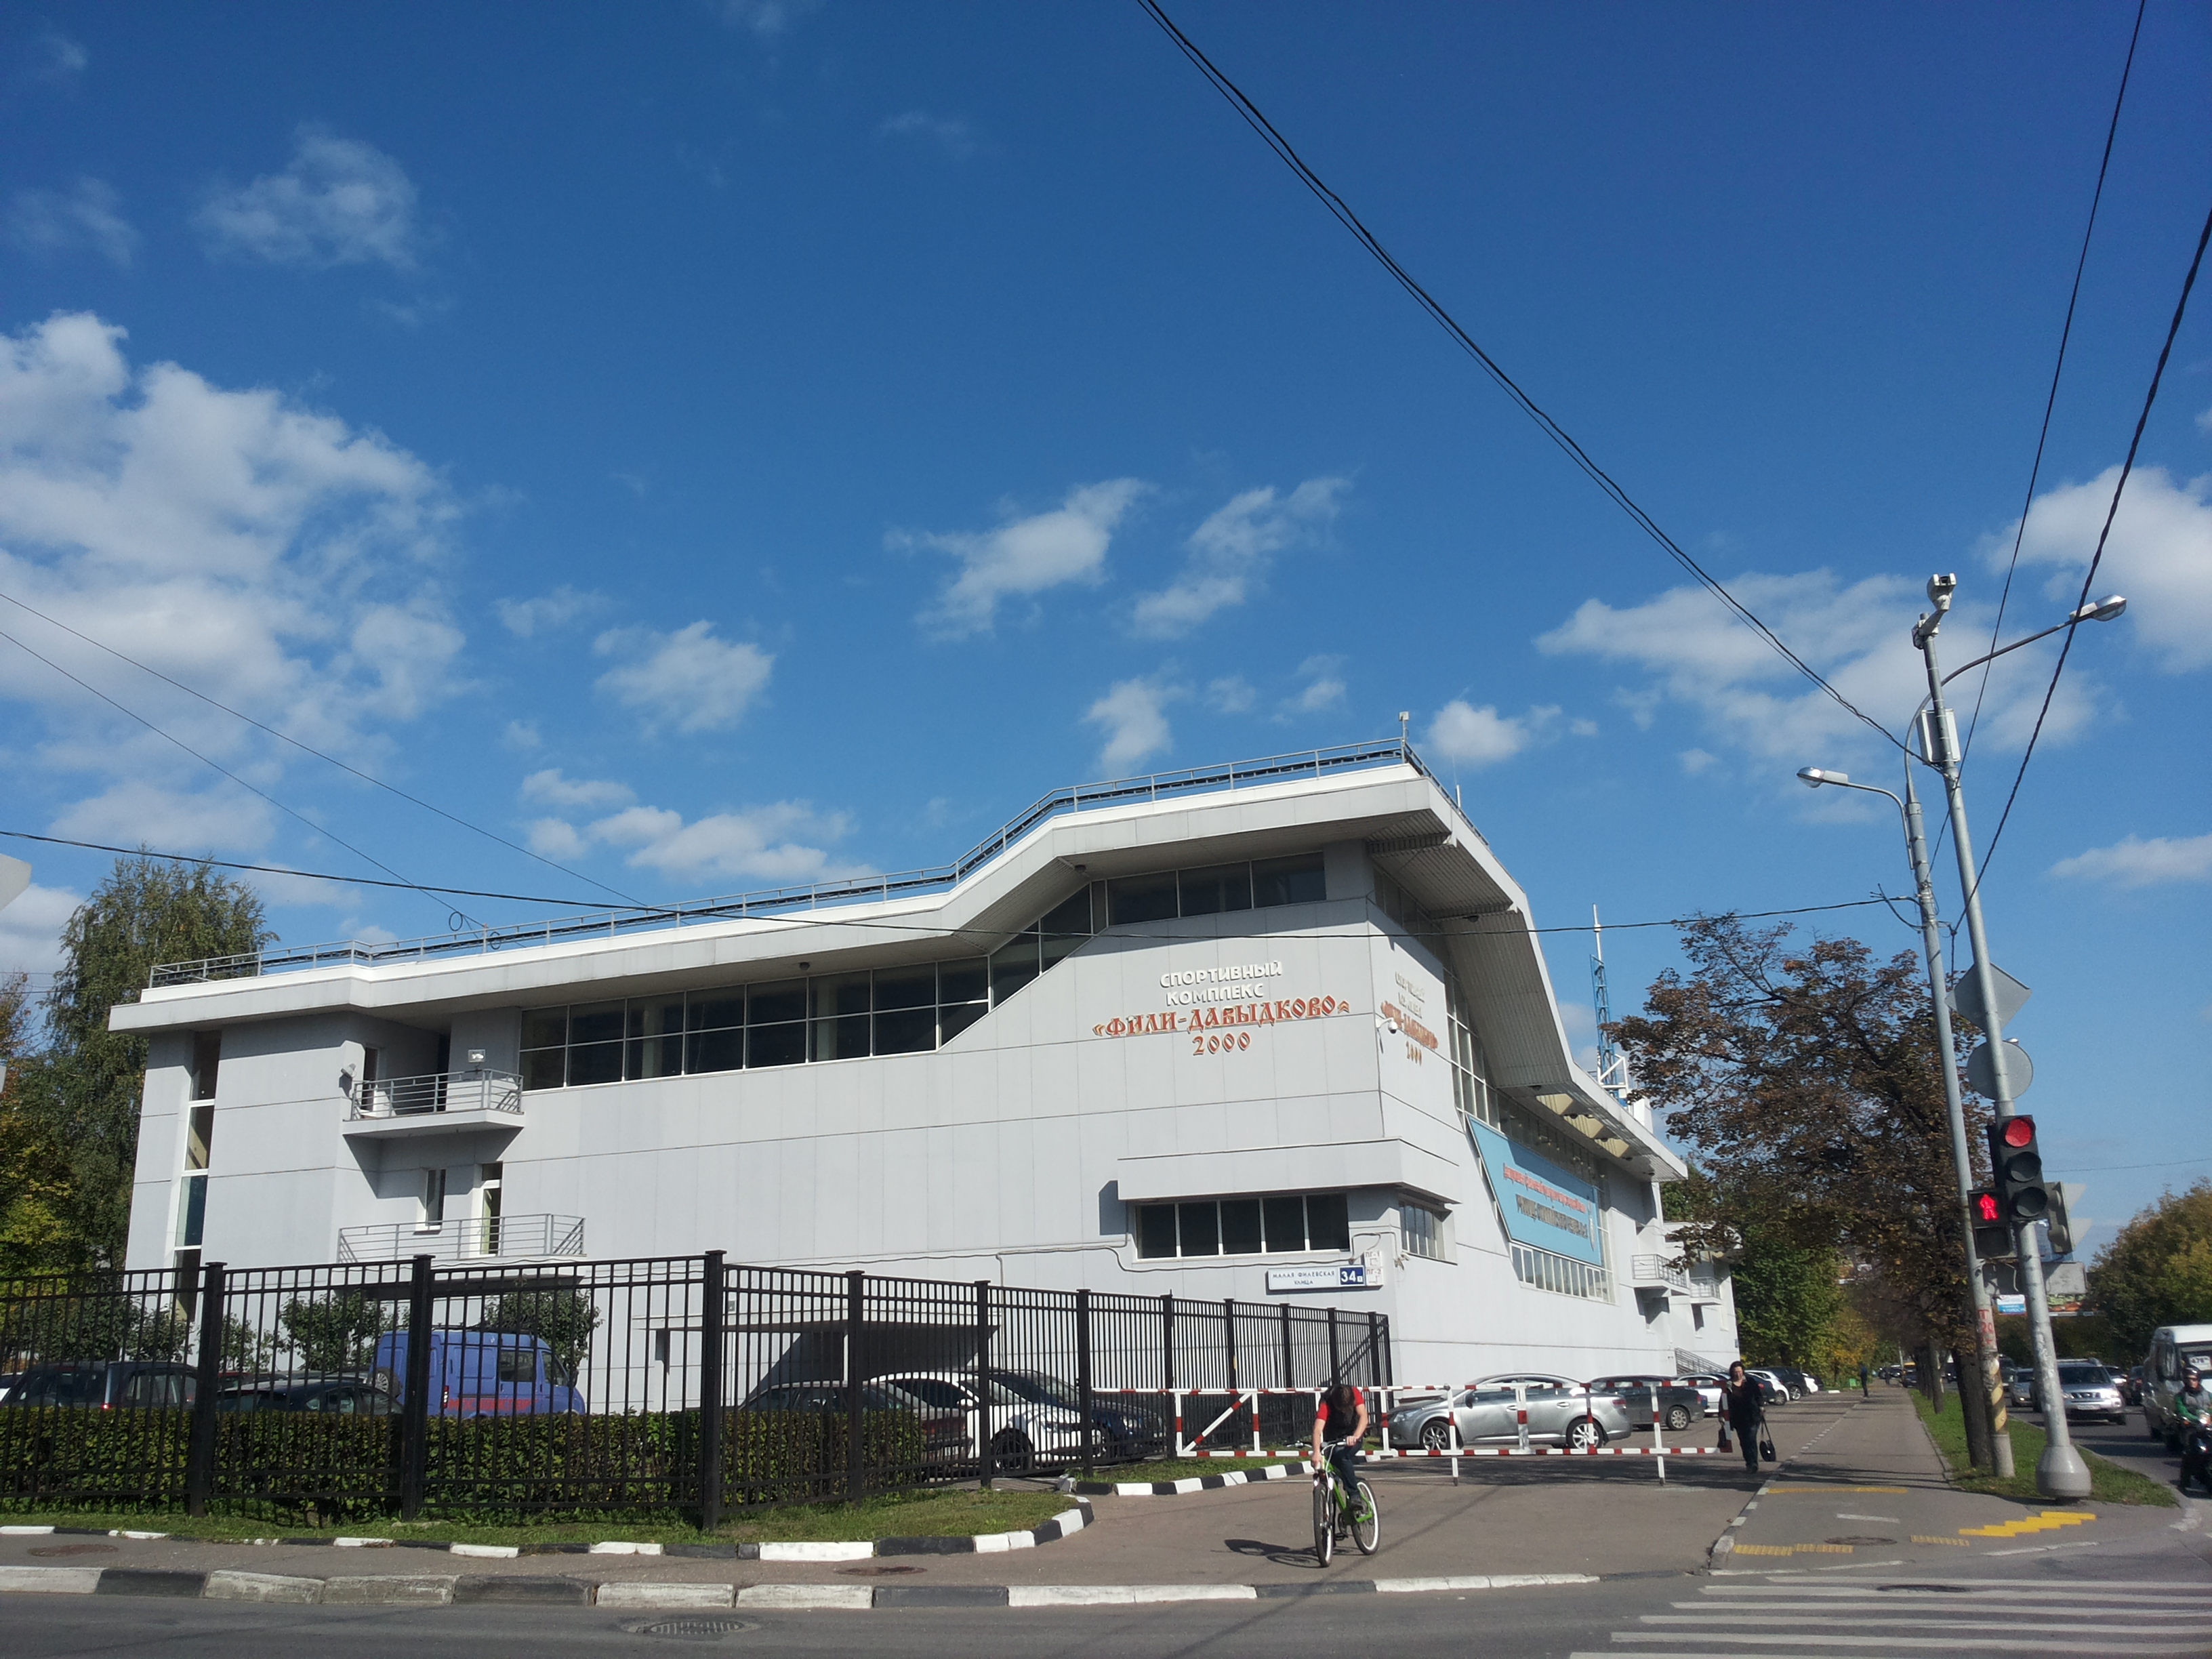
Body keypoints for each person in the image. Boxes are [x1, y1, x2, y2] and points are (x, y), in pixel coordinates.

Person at [1311, 1380, 1371, 1519]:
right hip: (1332, 1437)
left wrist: (1355, 1436)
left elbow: (1364, 1417)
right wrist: (1316, 1452)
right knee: (1329, 1468)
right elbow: (1317, 1430)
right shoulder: (1326, 1401)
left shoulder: (1354, 1393)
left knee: (1342, 1456)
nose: (1344, 1412)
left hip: (1353, 1435)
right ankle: (1329, 1511)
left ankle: (1355, 1495)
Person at [1719, 1361, 1765, 1478]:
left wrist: (1761, 1406)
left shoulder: (1750, 1382)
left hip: (1752, 1416)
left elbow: (1758, 1395)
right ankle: (1749, 1463)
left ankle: (1753, 1464)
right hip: (1738, 1418)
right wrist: (1722, 1415)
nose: (1738, 1374)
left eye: (1740, 1372)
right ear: (1732, 1372)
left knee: (1751, 1439)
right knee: (1744, 1442)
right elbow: (1723, 1400)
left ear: (1743, 1371)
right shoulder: (1728, 1385)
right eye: (1736, 1372)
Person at [2176, 1367, 2212, 1494]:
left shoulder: (2208, 1395)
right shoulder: (2181, 1396)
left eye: (2194, 1379)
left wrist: (2208, 1417)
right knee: (2189, 1451)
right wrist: (2193, 1419)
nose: (2191, 1382)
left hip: (2208, 1427)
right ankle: (2184, 1482)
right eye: (2188, 1379)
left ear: (2199, 1380)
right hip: (2191, 1428)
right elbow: (2182, 1411)